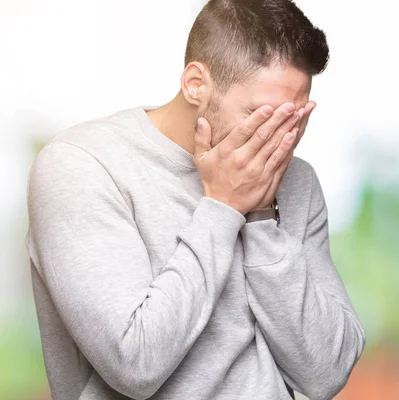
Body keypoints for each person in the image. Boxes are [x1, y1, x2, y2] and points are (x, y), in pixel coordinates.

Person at [25, 0, 366, 399]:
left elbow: (327, 373)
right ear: (195, 85)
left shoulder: (295, 179)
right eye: (261, 115)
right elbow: (135, 363)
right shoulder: (82, 166)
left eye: (294, 119)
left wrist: (259, 213)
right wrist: (222, 207)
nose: (281, 139)